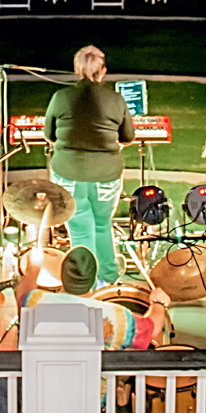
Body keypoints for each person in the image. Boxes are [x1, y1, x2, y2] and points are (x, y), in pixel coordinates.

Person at [42, 45, 134, 282]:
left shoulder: (60, 97)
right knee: (103, 225)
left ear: (77, 70)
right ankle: (110, 281)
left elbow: (49, 135)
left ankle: (86, 284)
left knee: (80, 229)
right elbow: (128, 137)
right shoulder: (116, 99)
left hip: (68, 174)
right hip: (106, 176)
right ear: (102, 72)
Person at [18, 245, 166, 350]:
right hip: (93, 395)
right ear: (93, 281)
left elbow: (21, 294)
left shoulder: (35, 302)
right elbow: (152, 329)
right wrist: (158, 302)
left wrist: (35, 268)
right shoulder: (116, 317)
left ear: (62, 277)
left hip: (40, 393)